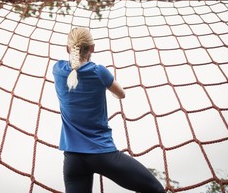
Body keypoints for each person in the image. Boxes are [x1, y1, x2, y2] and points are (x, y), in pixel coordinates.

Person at [53, 27, 166, 193]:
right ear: (92, 48)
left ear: (68, 48)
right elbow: (121, 94)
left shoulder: (58, 70)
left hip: (72, 159)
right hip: (102, 154)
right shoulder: (99, 72)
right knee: (155, 189)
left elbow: (73, 71)